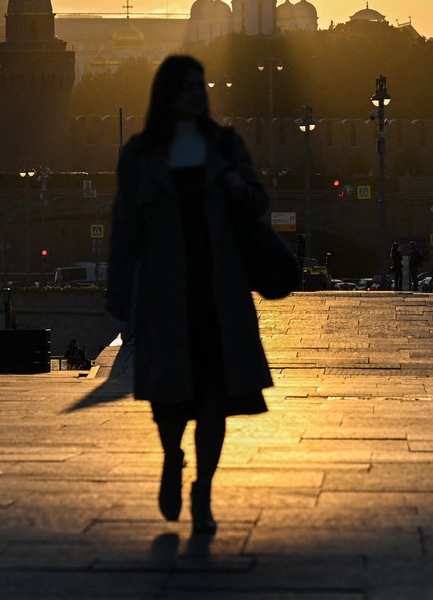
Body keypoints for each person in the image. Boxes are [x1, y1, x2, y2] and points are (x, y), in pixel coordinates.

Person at [105, 55, 274, 536]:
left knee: (214, 398)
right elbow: (125, 227)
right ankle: (172, 457)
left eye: (201, 87)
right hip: (163, 293)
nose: (197, 95)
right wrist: (119, 292)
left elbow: (262, 204)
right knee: (167, 395)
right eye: (186, 88)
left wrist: (242, 189)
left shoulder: (224, 145)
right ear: (167, 95)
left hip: (219, 291)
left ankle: (203, 489)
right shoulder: (141, 154)